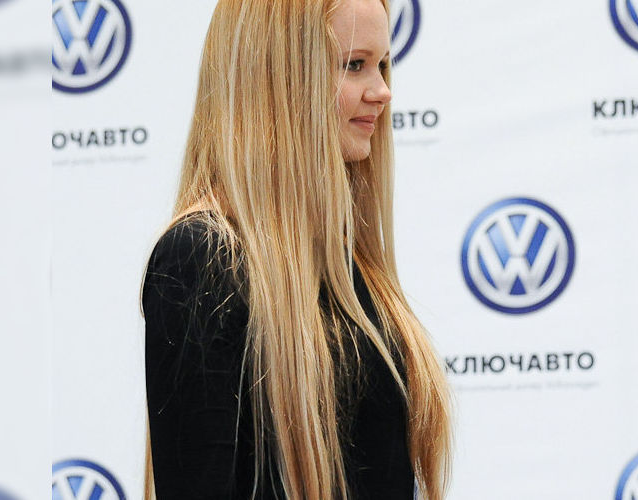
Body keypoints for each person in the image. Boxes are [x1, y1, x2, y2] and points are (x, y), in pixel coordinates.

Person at [139, 0, 453, 499]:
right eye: (354, 64)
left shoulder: (349, 262)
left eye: (382, 65)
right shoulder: (200, 258)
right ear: (278, 77)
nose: (382, 91)